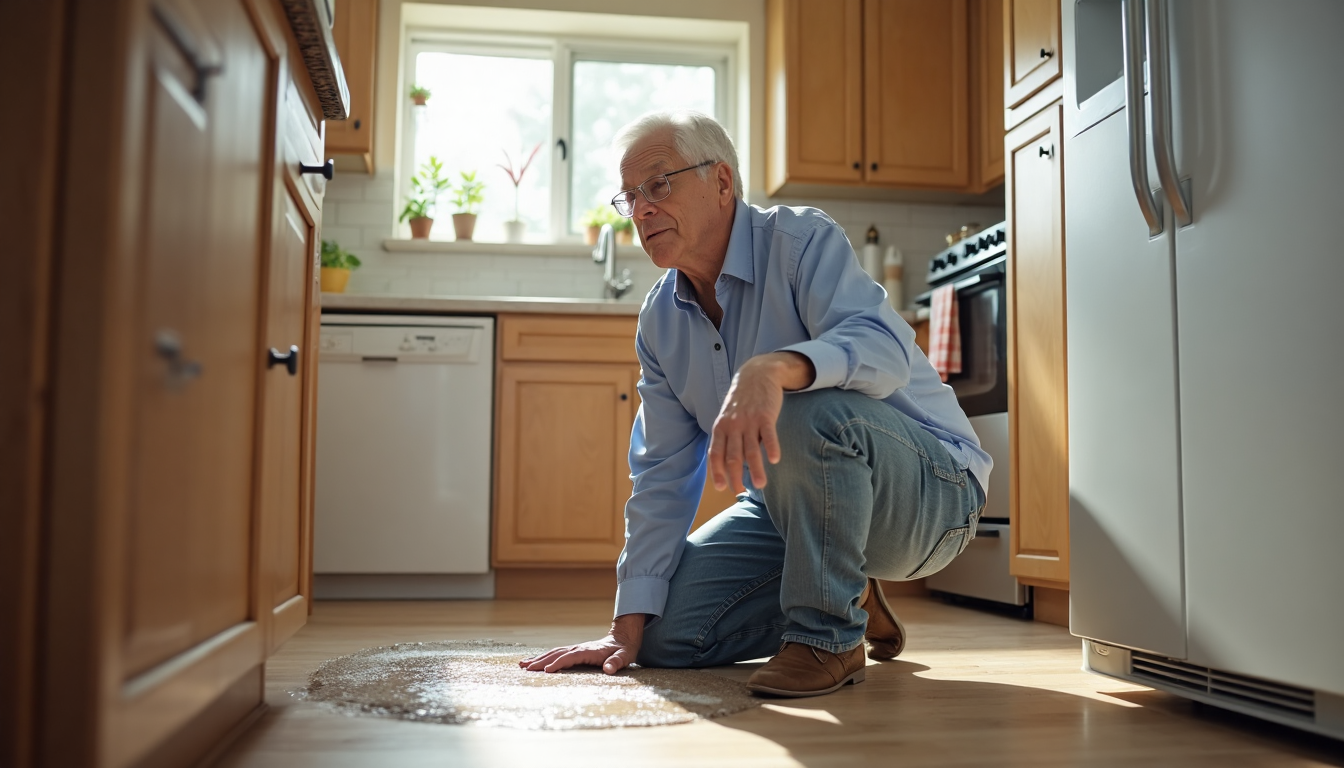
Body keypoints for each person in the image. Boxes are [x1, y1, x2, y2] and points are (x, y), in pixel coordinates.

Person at [519, 111, 990, 698]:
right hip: (791, 509)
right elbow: (662, 472)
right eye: (629, 196)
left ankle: (828, 636)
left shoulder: (800, 241)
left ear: (721, 182)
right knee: (667, 637)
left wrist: (774, 368)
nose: (640, 209)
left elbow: (887, 350)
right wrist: (625, 624)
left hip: (936, 495)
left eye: (658, 185)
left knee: (801, 405)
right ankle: (849, 590)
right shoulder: (660, 321)